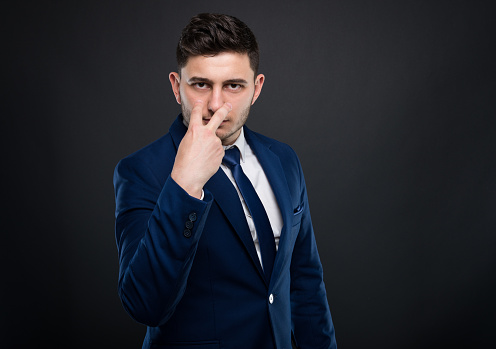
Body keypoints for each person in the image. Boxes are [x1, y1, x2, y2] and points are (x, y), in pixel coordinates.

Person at [113, 13, 337, 349]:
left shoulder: (284, 159)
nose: (216, 104)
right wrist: (185, 185)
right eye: (201, 84)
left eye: (233, 85)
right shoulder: (141, 171)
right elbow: (145, 304)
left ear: (256, 88)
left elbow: (305, 282)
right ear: (177, 87)